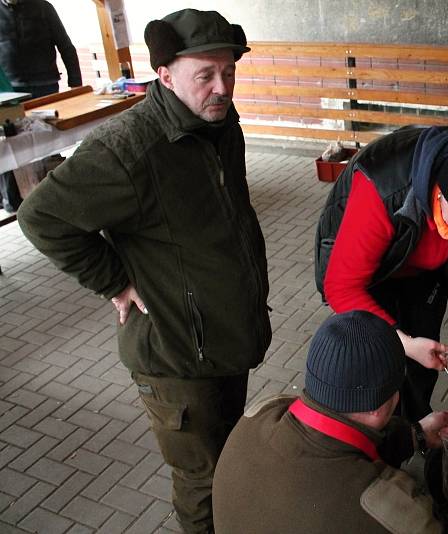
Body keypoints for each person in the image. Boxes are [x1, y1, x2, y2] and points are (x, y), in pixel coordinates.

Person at [17, 9, 271, 533]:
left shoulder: (221, 124)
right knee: (202, 483)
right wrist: (115, 281)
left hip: (224, 339)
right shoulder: (130, 149)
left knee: (230, 464)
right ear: (165, 74)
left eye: (229, 72)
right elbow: (41, 217)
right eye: (205, 75)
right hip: (175, 360)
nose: (221, 87)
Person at [213, 310, 448, 533]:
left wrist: (415, 434)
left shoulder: (261, 411)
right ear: (387, 403)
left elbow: (340, 438)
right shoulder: (384, 505)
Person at [315, 126, 448, 429]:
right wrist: (403, 343)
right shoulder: (384, 187)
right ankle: (379, 448)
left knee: (421, 363)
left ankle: (418, 430)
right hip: (367, 274)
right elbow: (342, 287)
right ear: (440, 192)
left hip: (426, 269)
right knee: (376, 366)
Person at [0, 0, 82, 213]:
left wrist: (76, 85)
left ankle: (55, 196)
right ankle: (13, 201)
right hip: (11, 93)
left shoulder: (43, 7)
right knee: (13, 144)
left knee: (52, 140)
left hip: (46, 86)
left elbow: (65, 44)